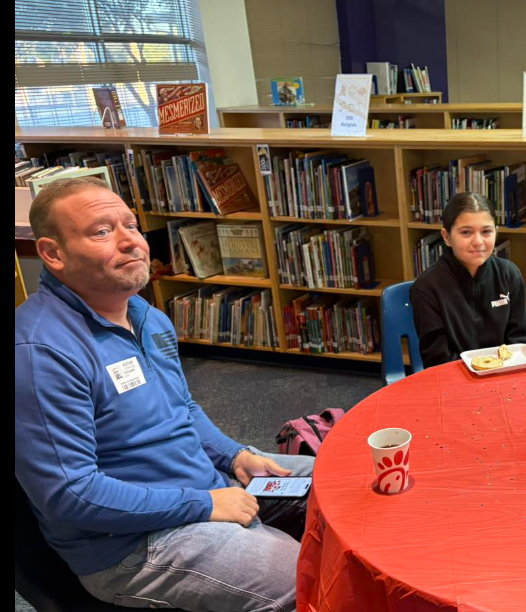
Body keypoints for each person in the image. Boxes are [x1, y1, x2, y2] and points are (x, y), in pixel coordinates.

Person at [14, 176, 314, 611]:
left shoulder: (146, 317)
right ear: (52, 254)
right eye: (102, 231)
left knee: (346, 482)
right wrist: (202, 504)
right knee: (304, 581)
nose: (131, 242)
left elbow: (181, 409)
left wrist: (233, 456)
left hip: (206, 488)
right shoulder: (40, 353)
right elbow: (71, 496)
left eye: (131, 226)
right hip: (132, 545)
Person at [411, 192, 526, 367]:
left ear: (496, 232)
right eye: (466, 232)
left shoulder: (510, 275)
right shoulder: (426, 288)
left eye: (486, 231)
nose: (478, 241)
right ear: (446, 237)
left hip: (504, 373)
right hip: (453, 377)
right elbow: (437, 359)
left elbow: (519, 341)